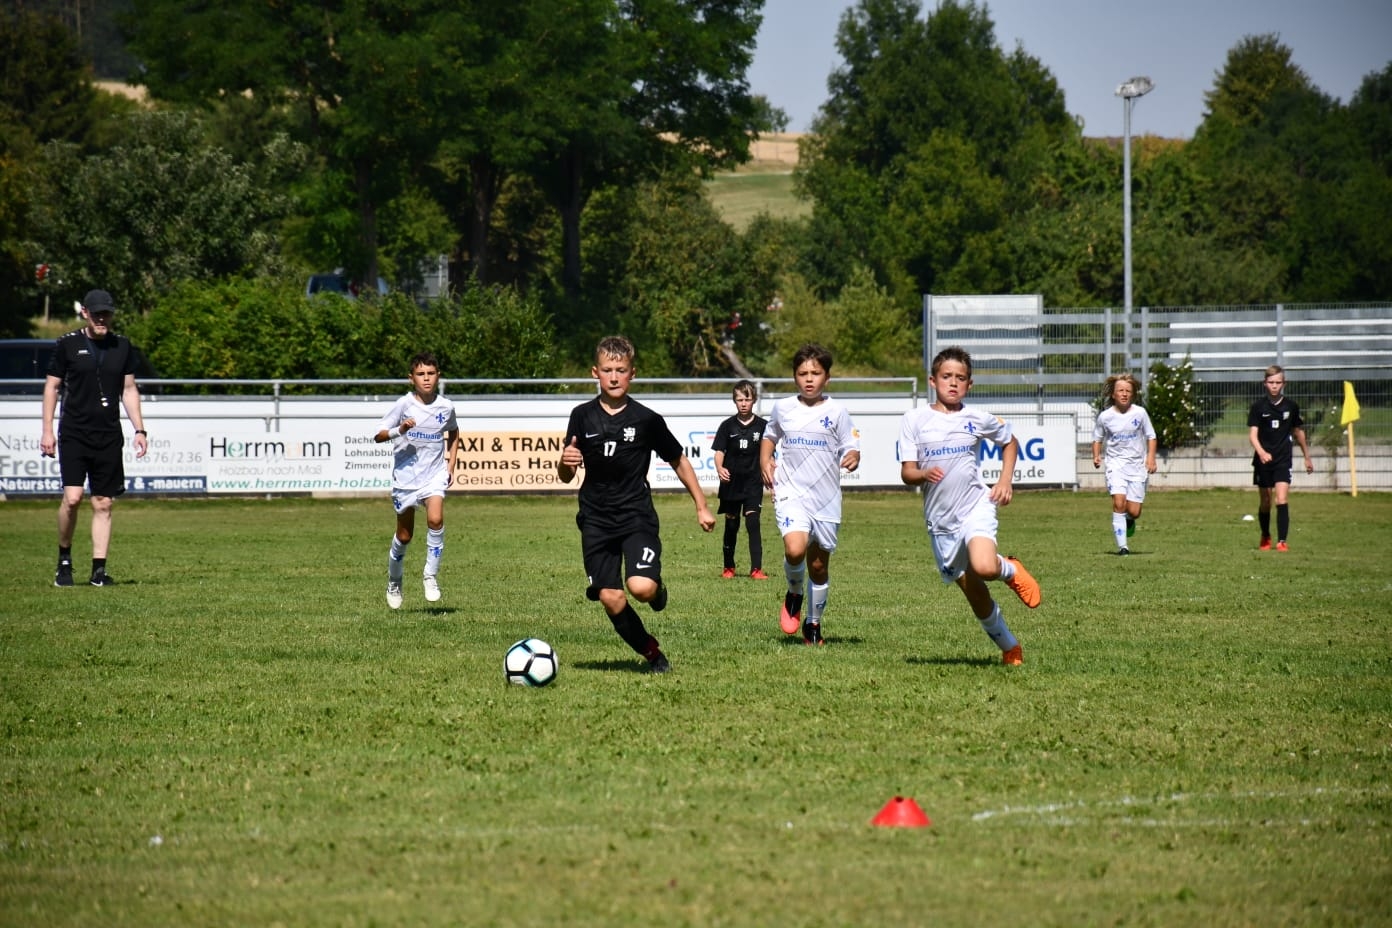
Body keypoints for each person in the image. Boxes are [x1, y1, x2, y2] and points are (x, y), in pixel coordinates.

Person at [557, 335, 715, 673]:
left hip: (635, 516)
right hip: (595, 520)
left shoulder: (647, 419)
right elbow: (567, 475)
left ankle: (656, 592)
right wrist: (566, 461)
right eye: (607, 370)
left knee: (640, 588)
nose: (614, 377)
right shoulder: (581, 416)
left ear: (633, 373)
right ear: (594, 373)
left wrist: (700, 505)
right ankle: (653, 654)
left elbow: (679, 461)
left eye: (621, 370)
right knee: (610, 597)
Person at [897, 346, 1041, 665]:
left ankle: (1010, 569)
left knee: (986, 567)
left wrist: (1005, 480)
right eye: (946, 376)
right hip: (941, 522)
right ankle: (1010, 648)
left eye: (960, 378)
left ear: (969, 385)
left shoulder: (977, 418)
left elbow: (1010, 441)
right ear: (932, 380)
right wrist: (921, 473)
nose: (953, 383)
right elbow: (907, 472)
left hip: (976, 505)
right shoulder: (914, 419)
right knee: (972, 589)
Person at [40, 289, 150, 587]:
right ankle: (64, 559)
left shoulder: (123, 347)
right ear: (85, 313)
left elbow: (128, 390)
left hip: (108, 434)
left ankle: (98, 571)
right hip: (74, 432)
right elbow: (52, 388)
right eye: (96, 313)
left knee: (103, 503)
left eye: (107, 313)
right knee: (73, 499)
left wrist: (139, 429)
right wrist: (47, 429)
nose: (102, 318)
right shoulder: (68, 345)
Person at [759, 344, 861, 645]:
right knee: (794, 549)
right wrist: (766, 459)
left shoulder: (838, 412)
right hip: (792, 492)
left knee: (818, 566)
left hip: (826, 498)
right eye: (803, 373)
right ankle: (794, 592)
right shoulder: (783, 408)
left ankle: (813, 624)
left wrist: (853, 456)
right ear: (794, 377)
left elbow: (851, 445)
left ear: (826, 378)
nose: (809, 378)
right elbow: (769, 436)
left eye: (815, 373)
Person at [374, 351, 460, 608]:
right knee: (404, 535)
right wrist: (399, 430)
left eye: (431, 374)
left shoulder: (446, 406)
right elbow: (378, 436)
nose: (426, 379)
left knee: (436, 519)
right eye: (420, 374)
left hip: (433, 477)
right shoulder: (404, 405)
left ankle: (430, 576)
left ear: (438, 376)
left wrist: (450, 465)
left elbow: (454, 432)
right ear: (411, 378)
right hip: (406, 480)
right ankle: (394, 580)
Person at [1248, 364, 1313, 551]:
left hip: (1283, 459)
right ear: (1265, 383)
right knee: (1265, 502)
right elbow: (1253, 435)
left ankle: (1282, 541)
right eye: (1271, 382)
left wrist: (1307, 457)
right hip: (1262, 460)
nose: (1275, 386)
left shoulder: (1291, 406)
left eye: (1278, 382)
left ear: (1284, 383)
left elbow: (1298, 432)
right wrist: (1261, 452)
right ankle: (1265, 535)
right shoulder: (1258, 407)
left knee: (1281, 499)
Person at [1091, 373, 1158, 555]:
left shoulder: (1140, 413)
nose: (1124, 393)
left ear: (1133, 394)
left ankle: (1129, 519)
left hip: (1137, 467)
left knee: (1134, 511)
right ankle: (1123, 547)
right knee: (1119, 503)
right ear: (1113, 394)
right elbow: (1097, 438)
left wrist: (1150, 458)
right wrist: (1096, 456)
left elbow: (1151, 436)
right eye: (1120, 390)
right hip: (1115, 466)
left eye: (1128, 391)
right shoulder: (1105, 417)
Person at [712, 379, 769, 580]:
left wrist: (770, 474)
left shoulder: (763, 426)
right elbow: (719, 452)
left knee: (753, 523)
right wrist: (719, 468)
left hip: (753, 482)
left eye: (747, 399)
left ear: (754, 400)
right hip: (731, 484)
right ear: (734, 401)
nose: (743, 403)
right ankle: (729, 567)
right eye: (739, 399)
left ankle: (756, 569)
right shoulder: (727, 426)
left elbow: (768, 455)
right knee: (731, 525)